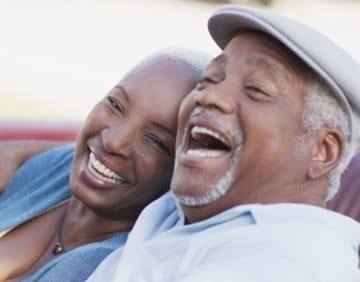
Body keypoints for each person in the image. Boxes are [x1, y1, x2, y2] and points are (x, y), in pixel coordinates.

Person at [88, 5, 360, 282]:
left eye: (255, 89)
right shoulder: (194, 201)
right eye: (209, 79)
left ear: (322, 151)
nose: (210, 96)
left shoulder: (287, 262)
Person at [0, 48, 211, 281]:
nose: (113, 141)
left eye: (155, 141)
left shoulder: (115, 268)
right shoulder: (55, 173)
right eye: (115, 104)